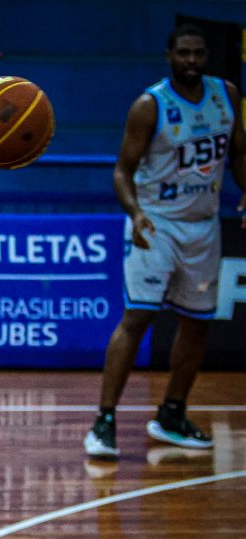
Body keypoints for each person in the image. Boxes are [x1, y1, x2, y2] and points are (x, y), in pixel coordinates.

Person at [84, 23, 245, 460]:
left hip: (204, 225)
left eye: (198, 53)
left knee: (197, 323)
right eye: (183, 53)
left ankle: (172, 413)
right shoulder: (149, 104)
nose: (191, 60)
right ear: (169, 55)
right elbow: (122, 171)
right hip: (156, 224)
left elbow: (238, 153)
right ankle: (104, 421)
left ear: (206, 56)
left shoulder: (226, 95)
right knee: (138, 317)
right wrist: (135, 213)